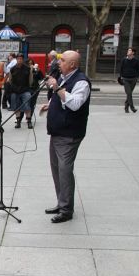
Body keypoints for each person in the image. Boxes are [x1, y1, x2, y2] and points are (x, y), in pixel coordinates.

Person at [41, 50, 91, 223]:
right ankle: (61, 202)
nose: (58, 63)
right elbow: (62, 99)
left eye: (62, 61)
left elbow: (75, 104)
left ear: (72, 65)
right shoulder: (64, 77)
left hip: (69, 134)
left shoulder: (81, 82)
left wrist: (57, 87)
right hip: (57, 131)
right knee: (56, 169)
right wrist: (50, 104)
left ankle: (66, 209)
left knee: (64, 170)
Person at [9, 54, 34, 129]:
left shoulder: (27, 68)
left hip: (25, 90)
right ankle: (18, 121)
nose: (19, 60)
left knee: (27, 106)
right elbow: (10, 80)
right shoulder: (12, 69)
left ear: (23, 60)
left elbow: (30, 79)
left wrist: (29, 86)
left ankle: (29, 121)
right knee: (16, 107)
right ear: (16, 59)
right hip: (15, 90)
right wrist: (13, 87)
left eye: (21, 59)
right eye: (18, 59)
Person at [119, 47, 139, 113]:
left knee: (129, 94)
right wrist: (120, 77)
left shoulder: (136, 60)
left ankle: (126, 107)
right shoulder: (124, 60)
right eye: (128, 50)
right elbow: (121, 68)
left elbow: (138, 69)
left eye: (129, 50)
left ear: (133, 53)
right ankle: (132, 107)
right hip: (125, 79)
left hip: (133, 79)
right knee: (129, 93)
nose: (128, 51)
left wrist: (137, 77)